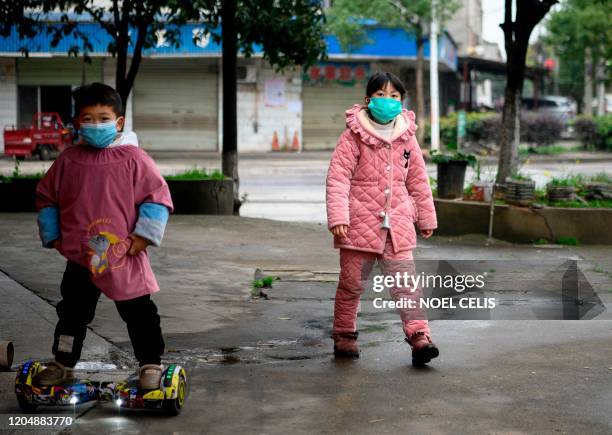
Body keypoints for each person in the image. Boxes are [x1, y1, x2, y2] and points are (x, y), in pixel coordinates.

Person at [35, 82, 173, 388]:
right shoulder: (68, 161)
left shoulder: (134, 160)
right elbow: (46, 198)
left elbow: (157, 197)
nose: (95, 124)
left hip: (124, 254)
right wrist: (55, 236)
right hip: (81, 257)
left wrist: (143, 237)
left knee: (139, 312)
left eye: (103, 117)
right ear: (76, 123)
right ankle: (62, 362)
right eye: (88, 118)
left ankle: (150, 362)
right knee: (71, 314)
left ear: (119, 122)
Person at [325, 72, 439, 365]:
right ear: (368, 99)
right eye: (381, 95)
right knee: (351, 284)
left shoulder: (406, 137)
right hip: (358, 225)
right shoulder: (353, 136)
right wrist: (339, 216)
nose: (387, 101)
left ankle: (419, 337)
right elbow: (338, 178)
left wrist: (425, 217)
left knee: (406, 285)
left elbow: (418, 180)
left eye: (394, 97)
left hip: (398, 224)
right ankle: (344, 335)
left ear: (402, 102)